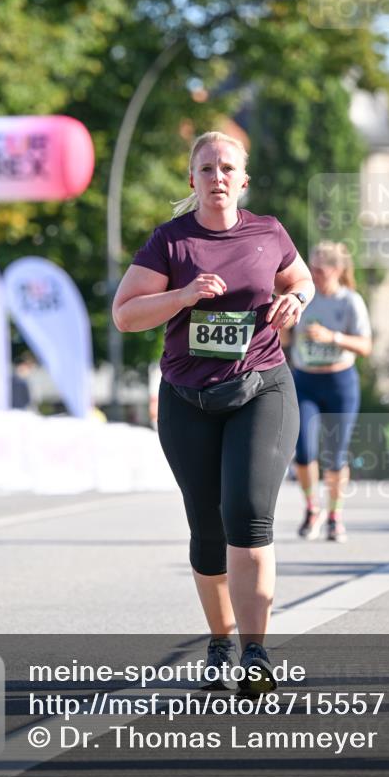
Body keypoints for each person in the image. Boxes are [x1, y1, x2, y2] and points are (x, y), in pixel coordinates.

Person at [112, 131, 313, 694]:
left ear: (243, 179)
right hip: (187, 399)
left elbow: (301, 277)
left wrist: (296, 299)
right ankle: (221, 641)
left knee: (248, 516)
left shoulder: (268, 232)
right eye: (206, 168)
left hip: (261, 389)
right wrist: (182, 296)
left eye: (227, 168)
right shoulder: (171, 242)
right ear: (192, 179)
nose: (217, 177)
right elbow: (125, 315)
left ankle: (255, 653)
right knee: (206, 526)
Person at [290, 241, 372, 544]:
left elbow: (366, 346)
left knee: (336, 454)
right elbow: (285, 334)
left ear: (336, 270)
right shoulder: (303, 296)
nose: (313, 272)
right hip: (305, 380)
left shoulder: (350, 301)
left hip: (340, 382)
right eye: (311, 266)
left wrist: (332, 337)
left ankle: (335, 515)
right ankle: (312, 508)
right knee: (304, 450)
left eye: (319, 268)